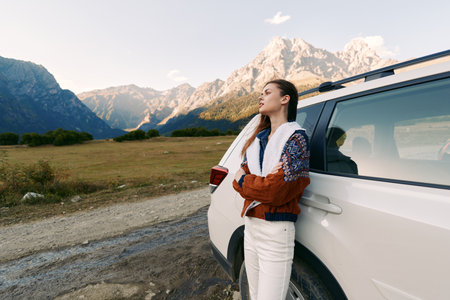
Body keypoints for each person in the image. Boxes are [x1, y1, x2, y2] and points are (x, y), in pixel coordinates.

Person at [232, 79, 310, 300]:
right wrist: (259, 180)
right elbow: (236, 178)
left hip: (276, 231)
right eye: (261, 93)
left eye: (267, 92)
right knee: (254, 295)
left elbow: (276, 192)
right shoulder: (257, 140)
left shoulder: (296, 138)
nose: (261, 96)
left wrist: (246, 181)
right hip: (251, 227)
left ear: (285, 99)